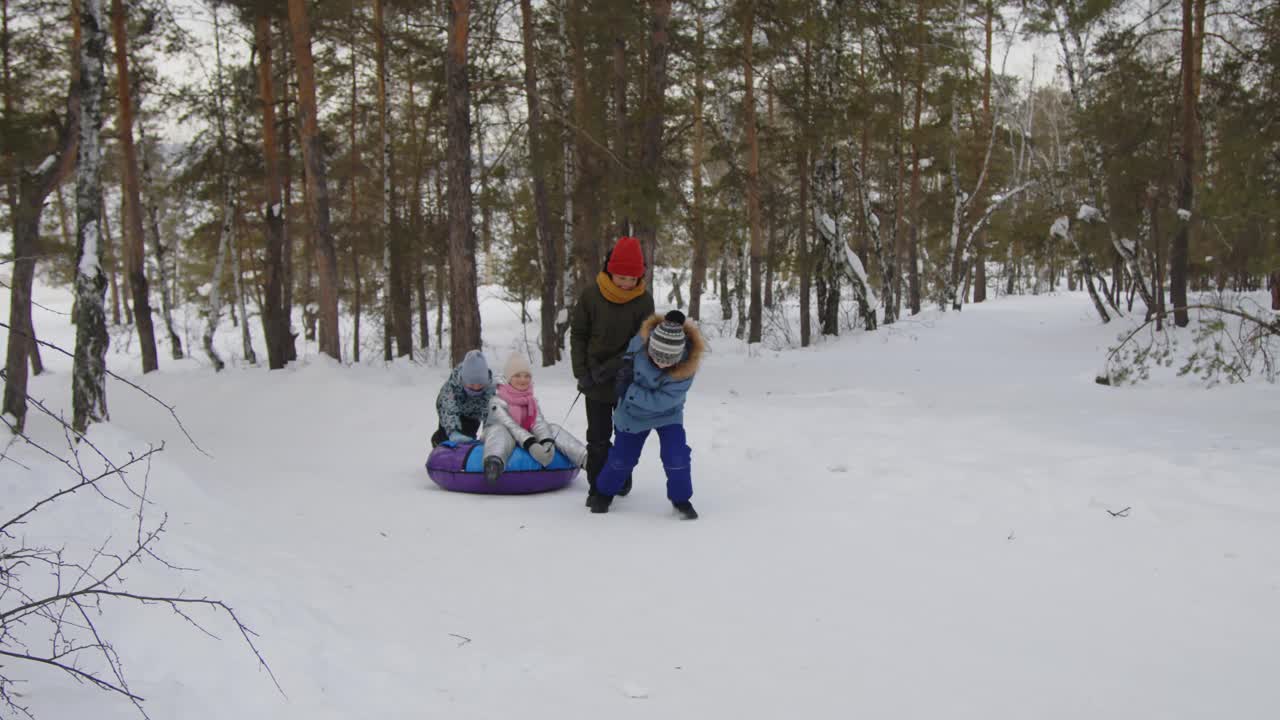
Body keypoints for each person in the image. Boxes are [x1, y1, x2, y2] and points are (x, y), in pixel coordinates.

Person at [588, 310, 704, 519]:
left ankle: (681, 499)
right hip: (632, 415)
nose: (661, 364)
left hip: (668, 414)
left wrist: (629, 390)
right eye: (656, 357)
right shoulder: (639, 345)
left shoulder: (687, 367)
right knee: (622, 459)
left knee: (676, 456)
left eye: (667, 361)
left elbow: (663, 401)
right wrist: (617, 370)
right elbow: (626, 358)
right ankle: (604, 492)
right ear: (649, 345)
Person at [570, 236, 655, 504]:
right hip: (593, 380)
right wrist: (581, 371)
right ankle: (596, 486)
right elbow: (579, 334)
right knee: (597, 436)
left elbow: (642, 341)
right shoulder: (591, 295)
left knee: (625, 434)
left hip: (626, 380)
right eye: (621, 277)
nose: (626, 283)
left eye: (632, 279)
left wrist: (616, 367)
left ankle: (619, 476)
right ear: (609, 269)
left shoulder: (643, 301)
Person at [482, 352, 588, 483]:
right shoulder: (497, 401)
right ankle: (494, 463)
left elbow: (538, 423)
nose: (523, 379)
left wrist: (547, 442)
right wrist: (531, 445)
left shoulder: (530, 400)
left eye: (527, 376)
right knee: (501, 430)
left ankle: (586, 459)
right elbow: (511, 426)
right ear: (508, 378)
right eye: (517, 375)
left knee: (553, 428)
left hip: (526, 435)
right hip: (502, 435)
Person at [431, 350, 495, 447]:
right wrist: (453, 432)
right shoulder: (453, 385)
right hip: (453, 410)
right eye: (472, 384)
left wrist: (488, 432)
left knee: (467, 439)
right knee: (446, 436)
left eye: (480, 384)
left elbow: (490, 411)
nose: (476, 387)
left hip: (473, 415)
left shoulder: (489, 388)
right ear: (464, 380)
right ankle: (439, 441)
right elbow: (448, 408)